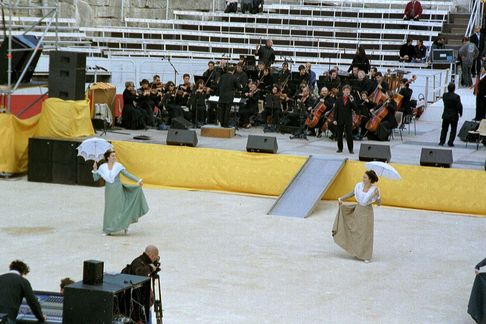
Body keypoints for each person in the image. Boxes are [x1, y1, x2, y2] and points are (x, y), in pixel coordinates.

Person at [92, 149, 149, 235]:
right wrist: (95, 170)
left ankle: (124, 225)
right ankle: (108, 229)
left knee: (120, 209)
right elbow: (95, 178)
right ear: (108, 157)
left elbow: (127, 174)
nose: (114, 157)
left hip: (118, 190)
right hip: (109, 192)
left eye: (115, 155)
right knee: (109, 210)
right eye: (113, 156)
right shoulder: (102, 167)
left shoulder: (118, 166)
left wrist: (138, 180)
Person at [332, 170, 381, 262]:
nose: (363, 178)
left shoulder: (375, 190)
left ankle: (366, 256)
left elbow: (379, 204)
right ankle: (356, 251)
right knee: (356, 231)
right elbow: (352, 193)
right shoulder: (359, 185)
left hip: (367, 212)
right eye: (363, 177)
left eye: (365, 177)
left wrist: (378, 196)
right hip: (358, 209)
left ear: (370, 179)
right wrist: (341, 198)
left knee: (366, 234)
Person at [122, 245, 160, 324]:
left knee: (147, 318)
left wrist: (153, 269)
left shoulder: (145, 263)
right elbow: (139, 273)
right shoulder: (138, 263)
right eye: (156, 257)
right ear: (151, 255)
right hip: (137, 306)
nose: (155, 259)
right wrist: (150, 268)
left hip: (143, 304)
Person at [333, 85, 357, 153]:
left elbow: (356, 109)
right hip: (340, 119)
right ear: (343, 91)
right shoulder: (338, 99)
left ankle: (351, 149)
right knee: (339, 135)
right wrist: (334, 119)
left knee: (349, 135)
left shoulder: (351, 99)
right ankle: (340, 148)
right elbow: (336, 110)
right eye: (346, 90)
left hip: (348, 119)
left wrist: (352, 101)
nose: (347, 92)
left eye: (348, 91)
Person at [439, 82, 463, 147]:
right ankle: (450, 142)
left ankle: (441, 141)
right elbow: (459, 106)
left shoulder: (444, 95)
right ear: (454, 89)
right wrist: (460, 113)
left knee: (444, 129)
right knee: (453, 130)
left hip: (446, 114)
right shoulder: (456, 97)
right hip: (454, 115)